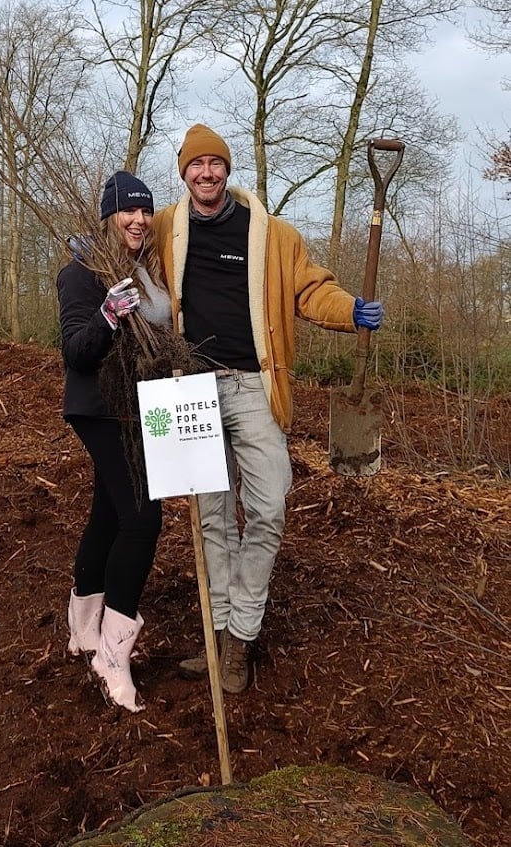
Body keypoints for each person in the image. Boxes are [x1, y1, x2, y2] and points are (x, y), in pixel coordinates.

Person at [153, 124, 384, 694]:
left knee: (270, 505)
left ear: (227, 171)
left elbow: (310, 290)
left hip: (256, 385)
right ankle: (221, 638)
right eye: (195, 166)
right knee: (208, 517)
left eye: (216, 164)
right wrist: (91, 250)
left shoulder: (274, 235)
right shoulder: (164, 227)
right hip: (188, 390)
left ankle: (242, 631)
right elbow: (122, 244)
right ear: (183, 173)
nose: (206, 174)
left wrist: (349, 308)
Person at [57, 171, 172, 713]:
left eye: (146, 212)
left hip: (137, 409)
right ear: (108, 216)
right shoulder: (80, 274)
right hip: (101, 409)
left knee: (109, 513)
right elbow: (77, 352)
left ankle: (82, 628)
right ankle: (113, 655)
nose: (139, 220)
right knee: (143, 518)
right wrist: (106, 315)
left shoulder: (139, 270)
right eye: (128, 211)